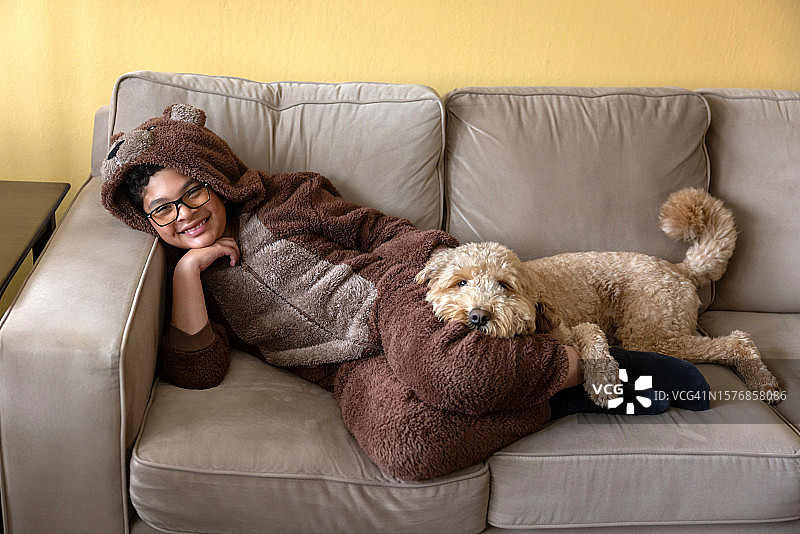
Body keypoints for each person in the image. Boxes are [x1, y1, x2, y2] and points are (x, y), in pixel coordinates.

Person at [101, 104, 709, 481]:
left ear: (215, 177)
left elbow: (379, 229)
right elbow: (201, 370)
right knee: (408, 447)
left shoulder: (285, 198)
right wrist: (188, 274)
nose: (183, 216)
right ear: (148, 223)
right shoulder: (196, 281)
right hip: (345, 368)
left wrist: (429, 263)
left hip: (392, 297)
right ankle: (571, 390)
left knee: (451, 373)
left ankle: (588, 360)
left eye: (193, 193)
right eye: (163, 212)